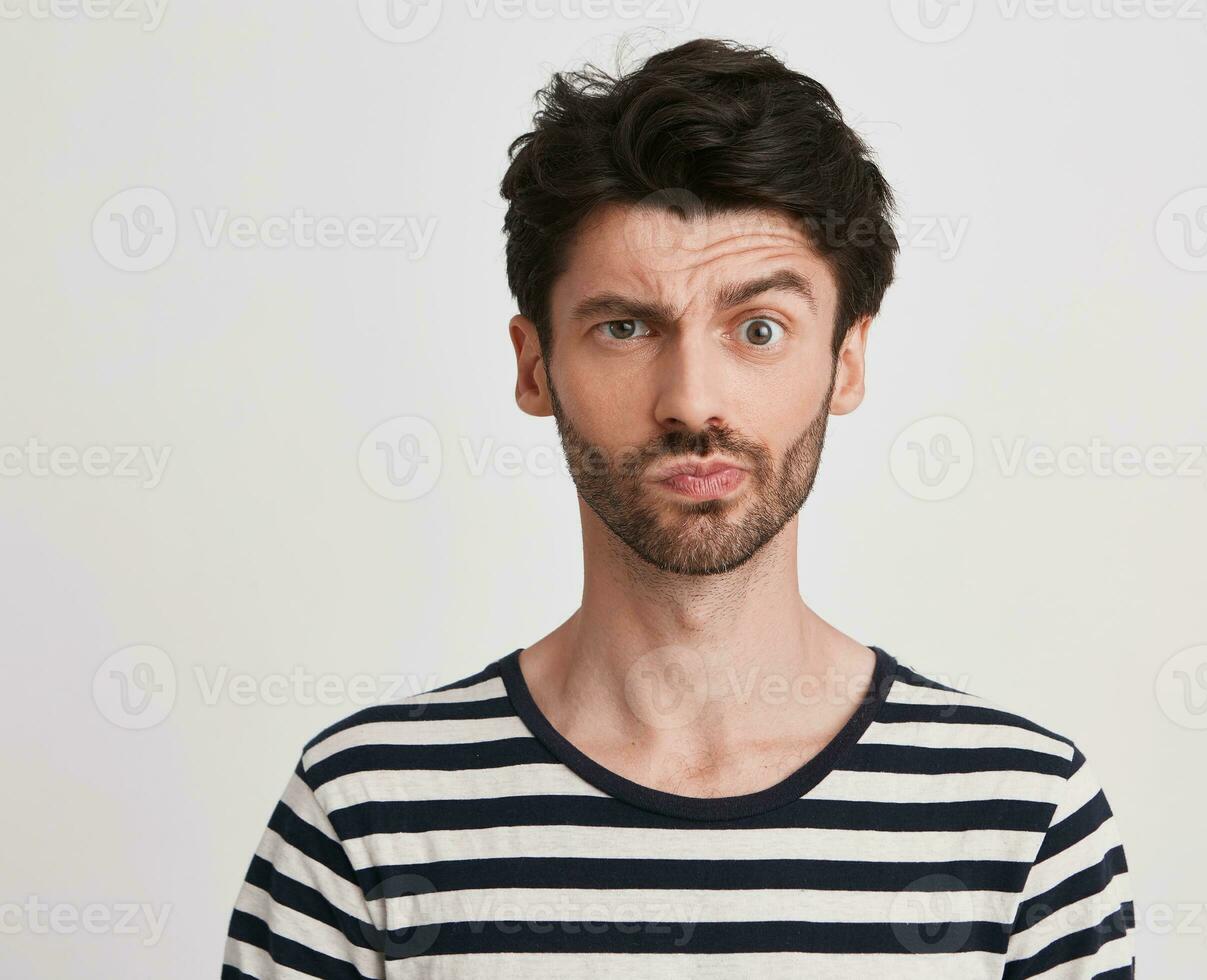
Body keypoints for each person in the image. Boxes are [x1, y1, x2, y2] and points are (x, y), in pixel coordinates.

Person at [222, 37, 1136, 979]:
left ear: (847, 359)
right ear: (535, 365)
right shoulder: (367, 811)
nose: (693, 400)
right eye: (625, 327)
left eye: (759, 329)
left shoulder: (1019, 817)